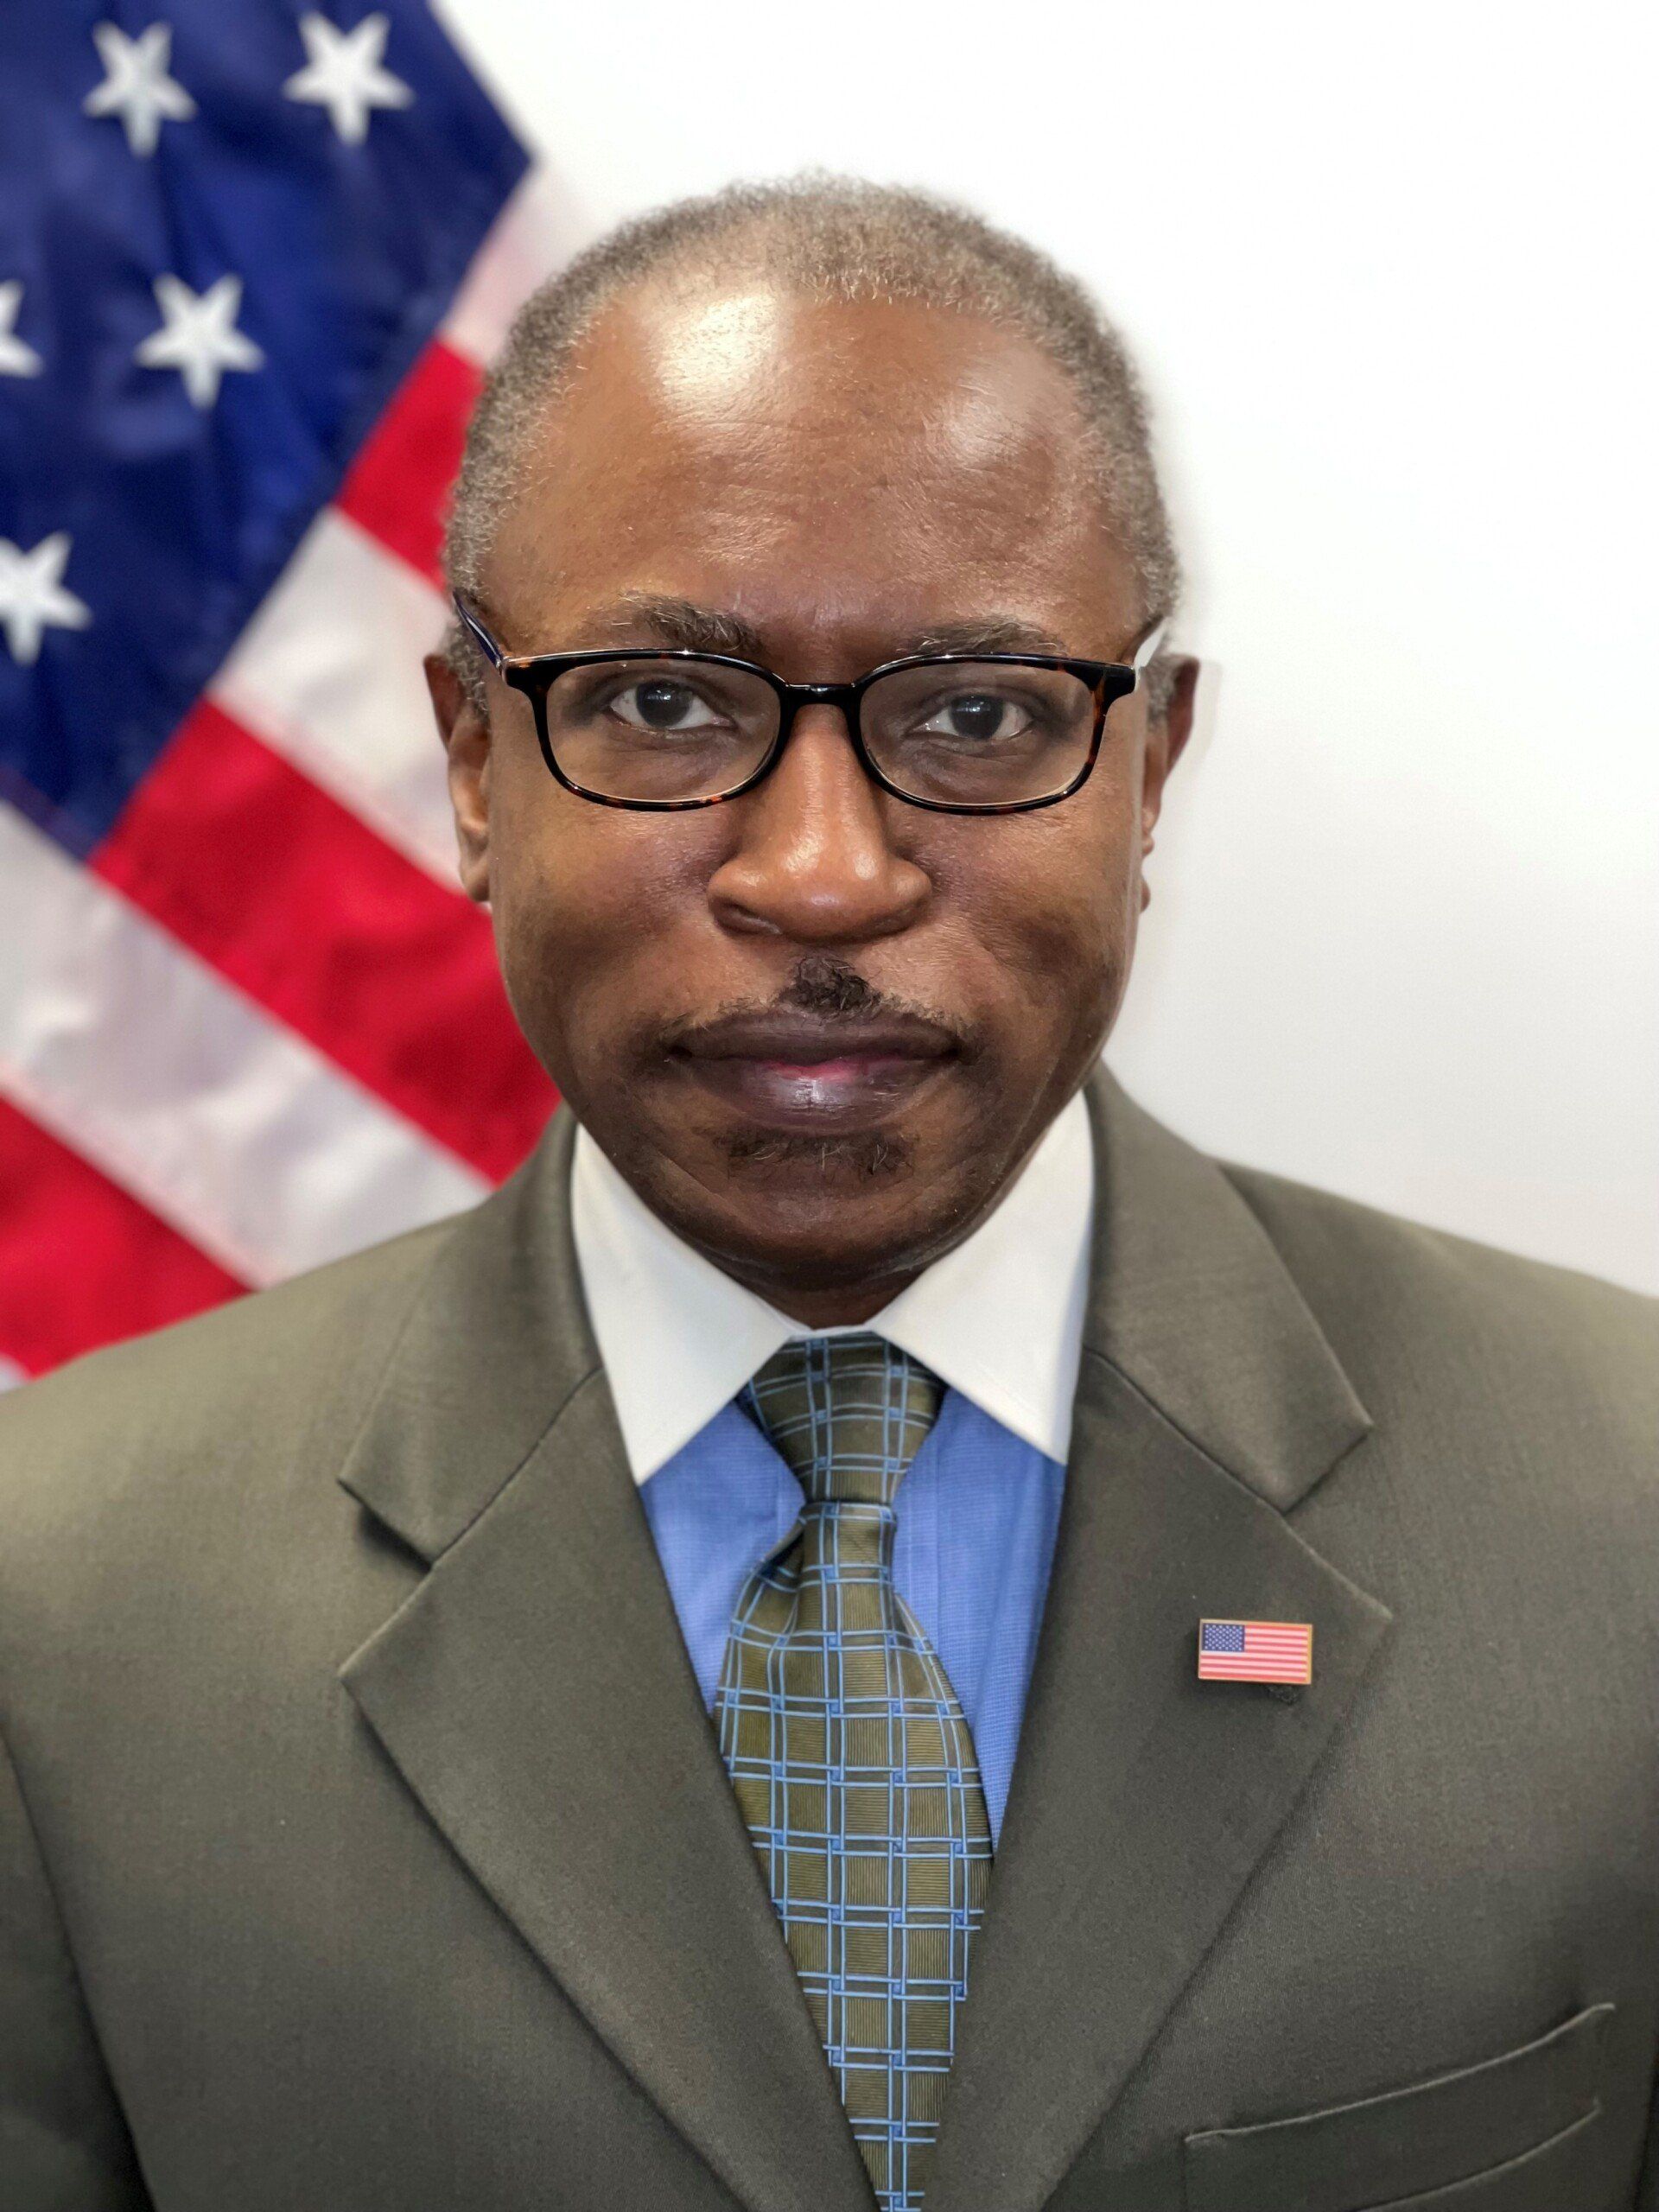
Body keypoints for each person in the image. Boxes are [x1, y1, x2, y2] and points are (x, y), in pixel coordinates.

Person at [1, 175, 1655, 2212]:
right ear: (470, 765)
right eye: (666, 706)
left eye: (975, 716)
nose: (822, 870)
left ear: (1150, 771)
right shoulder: (49, 1607)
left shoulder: (1621, 1507)